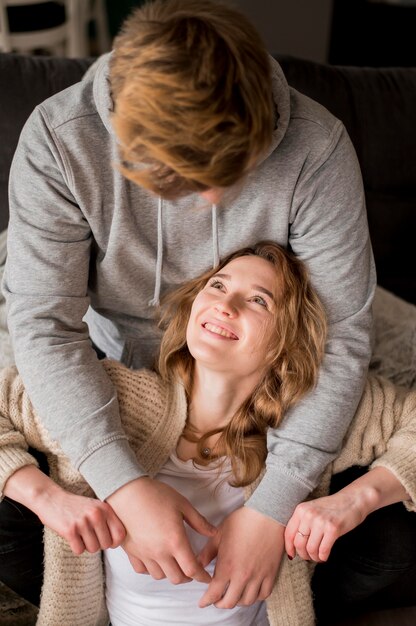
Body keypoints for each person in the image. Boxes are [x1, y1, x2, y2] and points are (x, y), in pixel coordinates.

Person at [1, 0, 376, 610]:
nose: (206, 204)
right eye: (181, 182)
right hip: (112, 357)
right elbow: (45, 328)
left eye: (228, 178)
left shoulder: (316, 146)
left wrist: (271, 511)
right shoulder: (59, 140)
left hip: (255, 370)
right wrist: (123, 485)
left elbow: (341, 336)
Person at [0, 241, 414, 626]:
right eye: (217, 285)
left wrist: (355, 501)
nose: (225, 304)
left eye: (258, 300)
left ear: (285, 343)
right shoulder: (116, 397)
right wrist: (48, 499)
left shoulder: (309, 423)